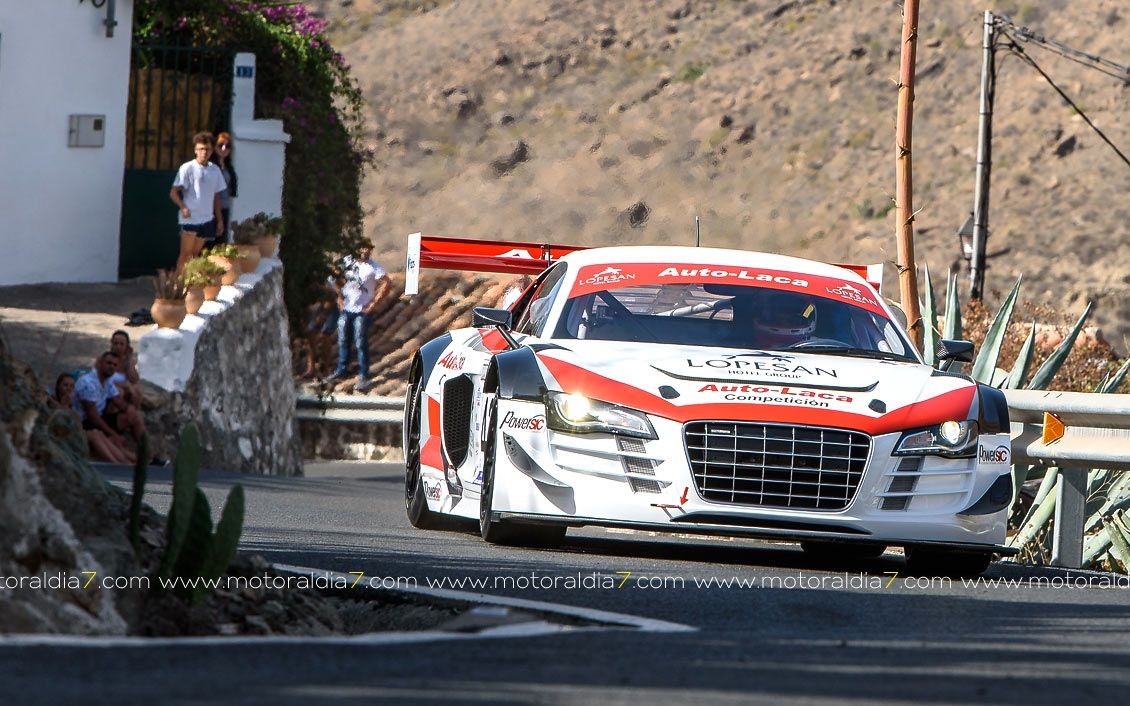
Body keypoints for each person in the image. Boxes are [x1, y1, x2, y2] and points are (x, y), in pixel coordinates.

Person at [327, 243, 390, 392]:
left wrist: (373, 303)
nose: (365, 251)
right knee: (343, 339)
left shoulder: (374, 267)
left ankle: (363, 373)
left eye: (368, 248)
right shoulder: (347, 262)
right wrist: (339, 295)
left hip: (362, 310)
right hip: (347, 308)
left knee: (360, 340)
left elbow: (386, 283)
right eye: (363, 247)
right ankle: (342, 369)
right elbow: (332, 277)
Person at [73, 354, 151, 463]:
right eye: (109, 363)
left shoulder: (107, 380)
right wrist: (113, 434)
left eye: (115, 365)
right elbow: (93, 416)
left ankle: (148, 455)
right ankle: (128, 463)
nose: (111, 367)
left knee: (135, 416)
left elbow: (117, 400)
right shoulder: (88, 383)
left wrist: (129, 408)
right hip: (86, 422)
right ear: (100, 364)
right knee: (113, 441)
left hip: (100, 417)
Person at [170, 131, 225, 272]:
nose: (204, 152)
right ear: (195, 150)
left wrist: (219, 220)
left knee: (195, 255)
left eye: (207, 149)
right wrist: (183, 207)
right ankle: (178, 282)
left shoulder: (215, 170)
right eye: (201, 149)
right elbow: (173, 193)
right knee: (185, 254)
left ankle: (189, 282)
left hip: (206, 218)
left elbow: (216, 197)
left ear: (212, 150)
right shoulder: (187, 168)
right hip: (190, 218)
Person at [53, 372, 135, 465]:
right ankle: (116, 463)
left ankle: (131, 461)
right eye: (65, 385)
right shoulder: (53, 402)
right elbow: (60, 423)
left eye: (72, 386)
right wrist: (64, 405)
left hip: (79, 433)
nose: (69, 388)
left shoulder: (75, 403)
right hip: (67, 436)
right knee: (94, 434)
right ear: (58, 387)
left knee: (102, 435)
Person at [301, 264, 343, 379]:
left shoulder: (327, 279)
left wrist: (323, 315)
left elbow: (332, 296)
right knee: (310, 334)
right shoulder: (308, 278)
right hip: (320, 306)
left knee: (325, 334)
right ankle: (311, 368)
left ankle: (326, 369)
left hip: (333, 306)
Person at [210, 131, 238, 244]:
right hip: (212, 209)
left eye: (227, 146)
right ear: (214, 147)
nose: (224, 148)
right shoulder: (212, 166)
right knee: (211, 243)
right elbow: (214, 193)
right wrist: (219, 218)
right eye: (220, 145)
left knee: (220, 242)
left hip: (225, 207)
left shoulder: (227, 166)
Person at [109, 329, 142, 409]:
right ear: (112, 344)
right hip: (110, 389)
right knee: (119, 392)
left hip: (125, 388)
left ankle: (133, 412)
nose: (118, 347)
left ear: (126, 346)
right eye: (116, 343)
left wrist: (129, 358)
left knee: (137, 391)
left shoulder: (127, 361)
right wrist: (126, 386)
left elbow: (134, 379)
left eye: (122, 344)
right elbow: (104, 381)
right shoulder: (106, 359)